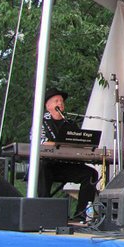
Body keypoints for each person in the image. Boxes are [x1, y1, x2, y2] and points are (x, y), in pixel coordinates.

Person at [39, 88, 98, 220]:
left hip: (65, 165)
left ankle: (80, 215)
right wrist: (57, 144)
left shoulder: (70, 124)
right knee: (42, 167)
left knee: (90, 174)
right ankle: (42, 212)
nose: (60, 103)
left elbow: (79, 142)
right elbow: (39, 142)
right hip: (48, 164)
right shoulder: (40, 121)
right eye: (56, 101)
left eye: (61, 101)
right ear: (48, 106)